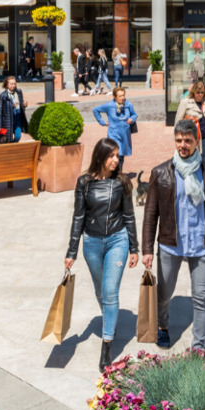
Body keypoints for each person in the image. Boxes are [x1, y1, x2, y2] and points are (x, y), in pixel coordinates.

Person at [141, 118, 205, 350]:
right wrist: (146, 250)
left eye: (188, 141)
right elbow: (150, 214)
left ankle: (200, 345)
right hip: (170, 246)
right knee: (164, 294)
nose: (183, 145)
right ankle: (162, 327)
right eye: (179, 140)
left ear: (196, 143)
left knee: (202, 298)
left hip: (202, 246)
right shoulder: (160, 173)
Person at [65, 138, 138, 372]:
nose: (116, 160)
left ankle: (107, 345)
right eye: (112, 156)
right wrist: (71, 251)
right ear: (100, 157)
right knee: (100, 290)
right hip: (92, 243)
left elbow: (129, 216)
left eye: (118, 155)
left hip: (118, 240)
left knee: (110, 291)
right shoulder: (84, 183)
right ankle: (110, 320)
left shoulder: (123, 182)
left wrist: (134, 248)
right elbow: (78, 217)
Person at [174, 80, 205, 165]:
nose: (200, 95)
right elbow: (178, 122)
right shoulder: (185, 102)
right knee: (191, 161)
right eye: (198, 92)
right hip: (191, 139)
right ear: (193, 92)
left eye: (202, 92)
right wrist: (179, 139)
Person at [93, 87, 137, 172]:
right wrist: (102, 122)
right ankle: (117, 175)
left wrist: (132, 119)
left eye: (123, 95)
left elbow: (134, 115)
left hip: (125, 134)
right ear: (114, 97)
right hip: (114, 134)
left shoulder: (128, 105)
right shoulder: (109, 106)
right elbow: (95, 110)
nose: (122, 98)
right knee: (117, 154)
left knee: (122, 155)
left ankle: (117, 173)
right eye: (120, 96)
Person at [0, 75, 28, 143]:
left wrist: (23, 104)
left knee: (18, 136)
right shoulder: (3, 96)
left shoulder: (18, 92)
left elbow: (20, 102)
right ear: (7, 85)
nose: (13, 85)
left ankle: (13, 145)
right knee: (8, 138)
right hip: (8, 120)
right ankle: (11, 148)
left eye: (14, 84)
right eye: (11, 84)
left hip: (17, 118)